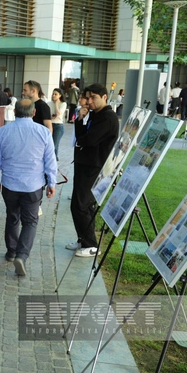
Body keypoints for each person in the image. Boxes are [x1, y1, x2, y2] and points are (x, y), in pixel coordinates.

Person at [0, 99, 57, 275]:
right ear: (34, 113)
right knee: (30, 221)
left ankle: (11, 252)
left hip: (10, 185)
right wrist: (52, 182)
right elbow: (50, 160)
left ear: (14, 112)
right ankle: (22, 255)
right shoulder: (43, 132)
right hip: (33, 186)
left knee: (12, 217)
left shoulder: (3, 132)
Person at [69, 84, 119, 257]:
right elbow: (81, 137)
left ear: (104, 97)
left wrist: (82, 139)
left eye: (93, 98)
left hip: (94, 166)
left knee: (81, 205)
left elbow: (89, 140)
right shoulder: (93, 114)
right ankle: (83, 239)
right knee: (82, 204)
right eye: (88, 98)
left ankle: (90, 244)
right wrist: (79, 119)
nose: (89, 101)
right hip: (84, 163)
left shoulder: (107, 117)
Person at [49, 88, 66, 160]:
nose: (53, 95)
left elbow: (58, 113)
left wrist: (56, 103)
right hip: (50, 125)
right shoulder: (49, 103)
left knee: (55, 144)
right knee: (50, 144)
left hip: (58, 126)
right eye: (53, 94)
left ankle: (53, 160)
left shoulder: (63, 104)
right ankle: (51, 159)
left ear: (60, 95)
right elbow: (47, 115)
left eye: (55, 94)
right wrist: (51, 117)